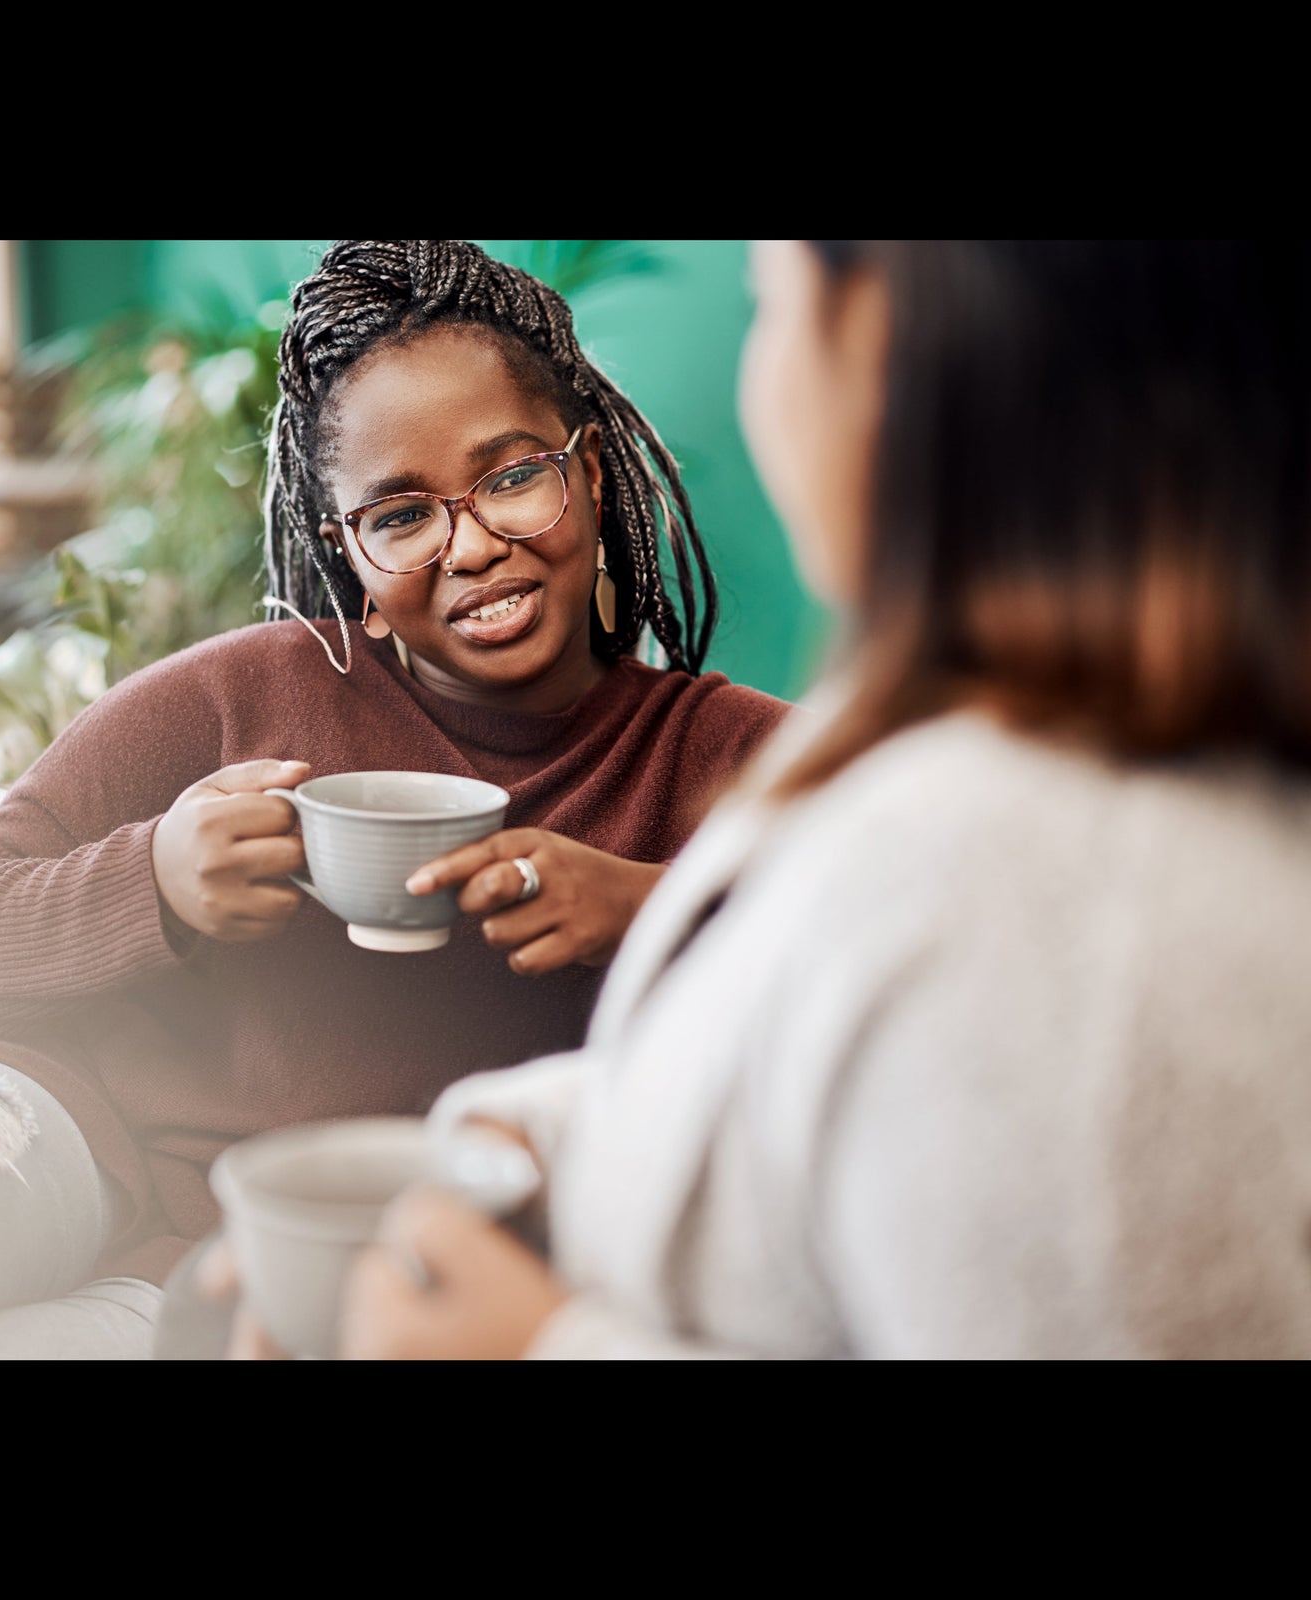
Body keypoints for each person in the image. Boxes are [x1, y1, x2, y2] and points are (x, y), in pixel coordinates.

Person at [0, 239, 791, 1360]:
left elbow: (914, 983)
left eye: (514, 476)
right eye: (399, 515)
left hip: (359, 1284)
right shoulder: (239, 693)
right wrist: (158, 881)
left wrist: (649, 907)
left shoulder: (733, 760)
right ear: (348, 559)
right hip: (89, 1144)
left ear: (594, 470)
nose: (469, 545)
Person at [309, 238, 1311, 1360]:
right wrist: (538, 1146)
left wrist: (537, 1347)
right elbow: (848, 1109)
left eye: (768, 304)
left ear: (880, 334)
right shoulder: (965, 763)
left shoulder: (1044, 892)